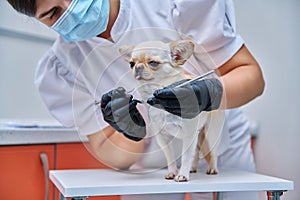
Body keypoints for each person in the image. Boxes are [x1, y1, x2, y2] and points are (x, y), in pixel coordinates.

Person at [7, 0, 265, 199]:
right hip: (150, 172)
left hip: (219, 150)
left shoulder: (171, 4)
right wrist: (130, 130)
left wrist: (205, 95)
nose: (72, 10)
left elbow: (251, 76)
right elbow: (118, 156)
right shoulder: (63, 68)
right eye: (53, 13)